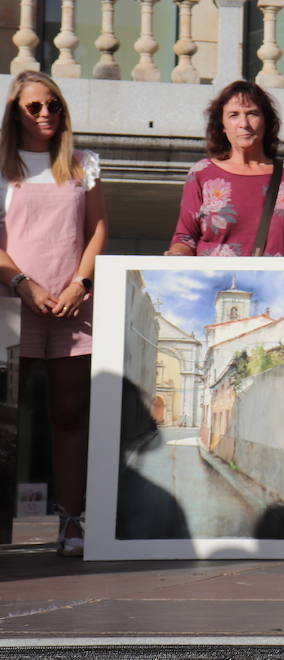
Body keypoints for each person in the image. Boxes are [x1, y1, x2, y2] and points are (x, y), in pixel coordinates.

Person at [0, 71, 108, 557]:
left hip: (72, 304)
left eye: (54, 106)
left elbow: (97, 228)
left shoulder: (82, 164)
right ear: (15, 113)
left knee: (69, 414)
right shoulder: (1, 166)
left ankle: (71, 520)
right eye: (34, 107)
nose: (46, 114)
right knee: (6, 419)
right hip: (10, 303)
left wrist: (81, 282)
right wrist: (23, 283)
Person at [166, 81, 284, 257]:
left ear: (267, 122)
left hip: (276, 283)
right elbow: (185, 238)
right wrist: (176, 256)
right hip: (214, 283)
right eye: (233, 115)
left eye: (252, 113)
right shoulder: (202, 173)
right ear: (222, 125)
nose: (243, 123)